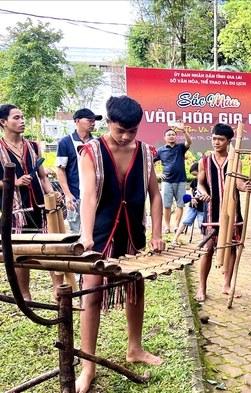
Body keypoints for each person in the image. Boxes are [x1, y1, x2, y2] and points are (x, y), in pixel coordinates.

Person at [75, 96, 166, 393]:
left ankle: (135, 349)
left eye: (133, 131)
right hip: (100, 234)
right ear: (109, 122)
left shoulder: (147, 152)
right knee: (91, 295)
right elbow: (88, 196)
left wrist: (156, 233)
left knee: (135, 290)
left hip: (133, 233)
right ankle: (88, 365)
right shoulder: (91, 151)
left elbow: (155, 194)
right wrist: (86, 235)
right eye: (119, 131)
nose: (126, 137)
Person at [0, 104, 63, 301]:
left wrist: (53, 195)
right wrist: (12, 182)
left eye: (22, 117)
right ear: (3, 122)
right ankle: (25, 296)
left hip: (42, 209)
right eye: (16, 118)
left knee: (52, 250)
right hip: (16, 212)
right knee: (20, 254)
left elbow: (43, 179)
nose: (22, 121)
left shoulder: (34, 147)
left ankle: (59, 291)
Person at [195, 123, 251, 302]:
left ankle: (227, 284)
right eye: (214, 138)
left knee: (231, 247)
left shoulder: (236, 161)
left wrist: (246, 187)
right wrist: (203, 192)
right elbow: (200, 183)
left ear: (229, 141)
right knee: (207, 249)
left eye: (221, 139)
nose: (216, 142)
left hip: (232, 213)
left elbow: (239, 184)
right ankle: (202, 287)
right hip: (212, 213)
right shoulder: (204, 161)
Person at [56, 108, 101, 234]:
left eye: (94, 121)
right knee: (76, 234)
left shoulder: (97, 142)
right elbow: (60, 170)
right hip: (75, 196)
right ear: (77, 121)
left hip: (95, 196)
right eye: (89, 120)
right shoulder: (65, 142)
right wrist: (68, 194)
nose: (93, 123)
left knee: (96, 232)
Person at [154, 123, 192, 234]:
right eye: (169, 135)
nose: (171, 136)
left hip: (181, 180)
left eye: (173, 134)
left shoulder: (180, 147)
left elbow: (189, 142)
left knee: (180, 204)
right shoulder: (161, 150)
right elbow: (151, 162)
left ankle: (176, 226)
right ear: (165, 138)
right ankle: (167, 226)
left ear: (176, 137)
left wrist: (184, 131)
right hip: (167, 181)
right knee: (167, 205)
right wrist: (158, 173)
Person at [172, 162, 206, 245]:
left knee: (202, 225)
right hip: (192, 207)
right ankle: (175, 239)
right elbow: (191, 189)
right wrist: (192, 198)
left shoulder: (206, 182)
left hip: (202, 208)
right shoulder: (195, 181)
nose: (196, 177)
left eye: (196, 174)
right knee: (185, 221)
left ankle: (204, 242)